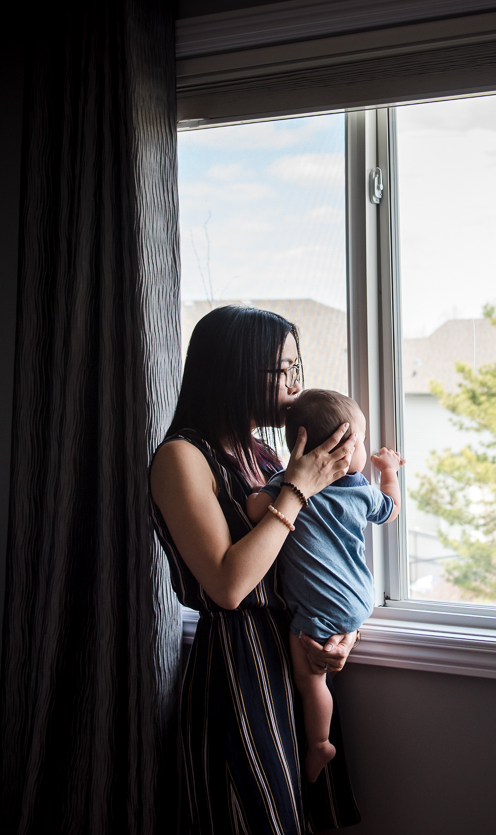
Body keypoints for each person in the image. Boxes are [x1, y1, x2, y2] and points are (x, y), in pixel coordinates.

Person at [149, 305, 362, 834]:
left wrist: (342, 631)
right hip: (239, 666)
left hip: (294, 648)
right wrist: (297, 487)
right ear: (236, 370)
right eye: (283, 371)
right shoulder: (182, 457)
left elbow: (329, 553)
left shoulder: (267, 455)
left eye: (298, 370)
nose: (295, 386)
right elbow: (227, 585)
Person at [246, 389, 401, 784]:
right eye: (361, 442)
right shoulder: (359, 491)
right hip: (358, 598)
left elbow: (252, 511)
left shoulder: (287, 484)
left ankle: (318, 743)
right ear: (344, 451)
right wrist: (388, 473)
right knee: (320, 671)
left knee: (309, 678)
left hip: (320, 605)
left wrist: (278, 489)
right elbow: (391, 510)